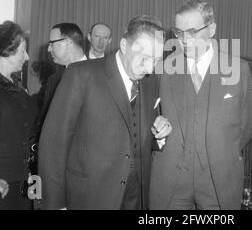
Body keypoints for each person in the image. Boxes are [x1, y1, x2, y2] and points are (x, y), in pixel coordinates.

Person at [38, 16, 172, 210]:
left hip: (136, 199)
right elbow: (53, 145)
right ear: (124, 46)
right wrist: (56, 205)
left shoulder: (151, 82)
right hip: (89, 197)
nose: (150, 68)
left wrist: (159, 134)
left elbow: (136, 136)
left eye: (157, 60)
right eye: (145, 58)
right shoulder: (81, 74)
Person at [149, 0, 252, 210]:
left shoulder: (238, 70)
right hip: (172, 179)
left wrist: (220, 150)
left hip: (219, 182)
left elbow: (246, 125)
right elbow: (149, 119)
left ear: (212, 29)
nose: (185, 40)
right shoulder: (162, 69)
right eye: (179, 33)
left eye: (192, 31)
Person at [0, 21, 38, 210]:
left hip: (25, 180)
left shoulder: (19, 88)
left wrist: (34, 175)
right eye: (23, 51)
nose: (27, 56)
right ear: (8, 50)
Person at [39, 23, 87, 127]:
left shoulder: (98, 76)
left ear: (68, 42)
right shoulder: (54, 80)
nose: (49, 49)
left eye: (52, 43)